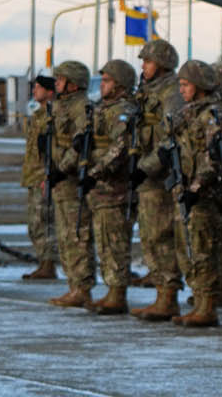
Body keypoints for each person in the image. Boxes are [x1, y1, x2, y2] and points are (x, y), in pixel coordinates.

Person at [168, 59, 222, 327]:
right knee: (188, 248)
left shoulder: (213, 115)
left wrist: (196, 187)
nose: (181, 90)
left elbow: (212, 157)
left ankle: (207, 305)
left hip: (204, 194)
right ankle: (199, 298)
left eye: (186, 85)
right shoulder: (189, 113)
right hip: (187, 189)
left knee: (203, 248)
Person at [129, 39, 186, 320]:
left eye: (148, 62)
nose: (144, 66)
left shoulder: (171, 93)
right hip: (147, 175)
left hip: (159, 176)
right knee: (150, 235)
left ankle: (168, 296)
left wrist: (146, 167)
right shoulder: (148, 91)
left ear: (161, 64)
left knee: (160, 236)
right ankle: (162, 292)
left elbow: (170, 136)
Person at [81, 60, 139, 314]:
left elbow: (119, 149)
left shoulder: (123, 111)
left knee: (115, 240)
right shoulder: (102, 109)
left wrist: (95, 172)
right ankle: (111, 290)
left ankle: (117, 293)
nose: (102, 85)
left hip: (115, 187)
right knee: (104, 239)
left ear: (120, 85)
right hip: (101, 188)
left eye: (107, 81)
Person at [45, 60, 98, 308]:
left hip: (71, 179)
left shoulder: (82, 107)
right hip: (59, 181)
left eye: (60, 79)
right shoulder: (59, 106)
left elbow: (80, 144)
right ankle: (72, 285)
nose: (56, 84)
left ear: (73, 84)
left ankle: (82, 287)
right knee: (65, 235)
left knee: (77, 234)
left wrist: (62, 167)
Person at [21, 75, 59, 281]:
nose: (34, 91)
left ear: (50, 92)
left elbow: (53, 149)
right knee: (35, 223)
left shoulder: (54, 116)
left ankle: (48, 264)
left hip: (44, 176)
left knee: (44, 222)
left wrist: (48, 173)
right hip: (33, 175)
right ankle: (43, 261)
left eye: (38, 88)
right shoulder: (37, 116)